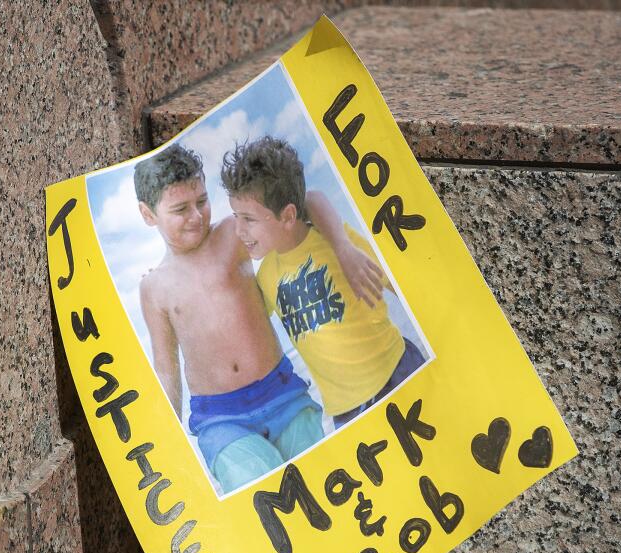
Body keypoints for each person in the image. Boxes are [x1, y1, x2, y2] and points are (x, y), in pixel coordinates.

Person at [135, 144, 372, 493]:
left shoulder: (234, 232)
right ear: (148, 214)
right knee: (264, 498)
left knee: (324, 488)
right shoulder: (153, 286)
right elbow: (166, 368)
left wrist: (342, 246)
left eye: (201, 201)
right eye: (180, 209)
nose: (197, 216)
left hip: (283, 395)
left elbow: (308, 203)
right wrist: (166, 442)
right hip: (220, 420)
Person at [221, 136, 426, 428]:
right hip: (348, 413)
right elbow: (243, 327)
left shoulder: (334, 241)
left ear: (288, 215)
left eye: (248, 219)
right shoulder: (266, 276)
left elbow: (404, 287)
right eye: (235, 217)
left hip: (399, 369)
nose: (238, 230)